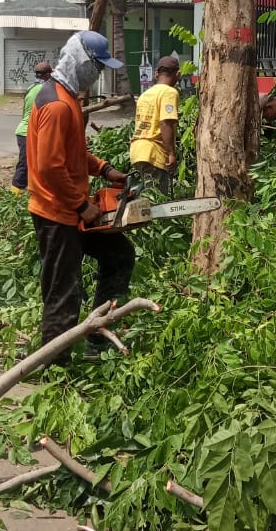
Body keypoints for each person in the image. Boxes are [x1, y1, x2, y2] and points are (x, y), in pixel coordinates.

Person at [27, 29, 135, 363]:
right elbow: (50, 167)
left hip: (70, 208)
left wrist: (105, 170)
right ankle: (55, 373)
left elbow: (74, 154)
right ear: (80, 62)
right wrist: (81, 205)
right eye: (97, 66)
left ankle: (98, 340)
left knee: (118, 255)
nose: (99, 73)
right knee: (63, 292)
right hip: (56, 212)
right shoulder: (58, 106)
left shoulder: (69, 99)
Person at [130, 55, 180, 193]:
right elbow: (165, 123)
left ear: (156, 74)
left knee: (144, 198)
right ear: (178, 74)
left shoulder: (145, 94)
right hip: (154, 153)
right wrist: (171, 153)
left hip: (137, 151)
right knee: (156, 201)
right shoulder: (169, 92)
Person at [11, 61, 52, 192]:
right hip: (27, 132)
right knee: (25, 164)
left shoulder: (32, 87)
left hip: (26, 130)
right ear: (47, 75)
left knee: (32, 164)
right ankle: (14, 194)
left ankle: (28, 191)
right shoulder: (45, 89)